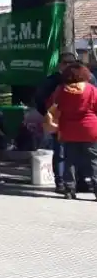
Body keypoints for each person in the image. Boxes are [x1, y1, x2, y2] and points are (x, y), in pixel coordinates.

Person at [34, 51, 94, 193]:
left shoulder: (68, 87)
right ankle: (72, 183)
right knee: (75, 156)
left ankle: (73, 184)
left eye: (70, 63)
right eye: (66, 63)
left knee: (72, 156)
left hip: (72, 126)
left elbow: (46, 102)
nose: (68, 66)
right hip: (76, 126)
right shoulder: (88, 87)